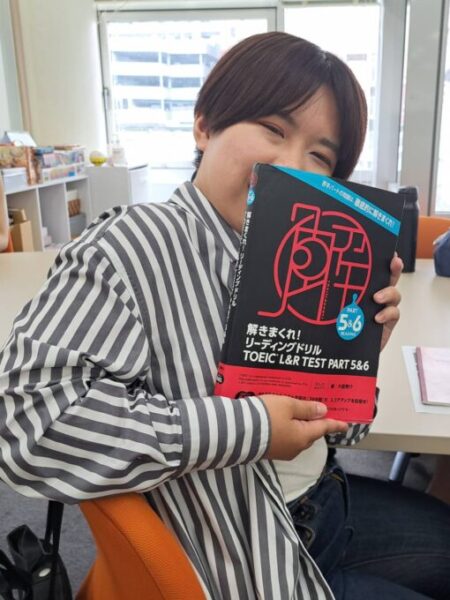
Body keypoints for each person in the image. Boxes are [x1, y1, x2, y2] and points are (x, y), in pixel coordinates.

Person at [0, 32, 449, 600]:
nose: (293, 167)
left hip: (321, 499)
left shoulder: (304, 255)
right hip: (249, 543)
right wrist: (252, 427)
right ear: (204, 125)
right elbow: (27, 426)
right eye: (273, 129)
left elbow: (345, 427)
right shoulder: (134, 245)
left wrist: (355, 360)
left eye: (320, 156)